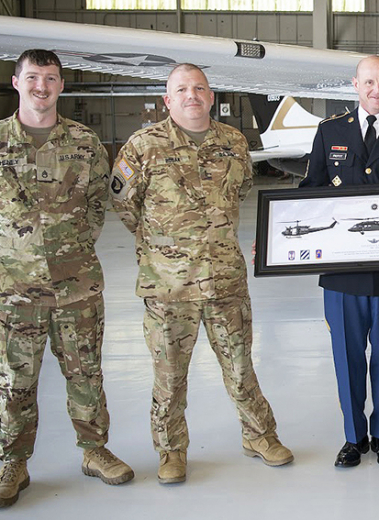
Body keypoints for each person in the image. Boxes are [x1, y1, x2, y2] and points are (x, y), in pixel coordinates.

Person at [110, 63, 292, 484]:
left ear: (211, 97)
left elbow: (241, 191)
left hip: (225, 281)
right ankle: (171, 451)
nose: (191, 95)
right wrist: (165, 247)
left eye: (199, 88)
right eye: (181, 89)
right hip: (168, 288)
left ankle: (259, 436)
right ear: (167, 99)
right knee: (170, 377)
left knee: (241, 368)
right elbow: (124, 205)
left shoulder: (234, 142)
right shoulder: (142, 146)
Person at [0, 49, 134, 508]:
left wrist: (69, 248)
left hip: (77, 285)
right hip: (13, 289)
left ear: (61, 85)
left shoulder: (84, 142)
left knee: (86, 372)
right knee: (14, 379)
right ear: (16, 82)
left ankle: (94, 451)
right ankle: (12, 462)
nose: (42, 86)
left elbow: (98, 202)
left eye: (51, 78)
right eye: (33, 77)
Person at [300, 55, 379, 467]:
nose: (377, 90)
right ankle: (353, 438)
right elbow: (310, 190)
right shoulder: (329, 131)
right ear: (355, 84)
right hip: (342, 272)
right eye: (369, 82)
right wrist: (277, 239)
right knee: (347, 357)